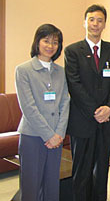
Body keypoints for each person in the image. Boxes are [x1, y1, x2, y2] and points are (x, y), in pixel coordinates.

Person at [64, 4, 110, 201]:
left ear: (105, 24)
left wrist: (109, 108)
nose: (95, 24)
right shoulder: (73, 51)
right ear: (85, 22)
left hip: (106, 121)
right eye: (91, 19)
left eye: (99, 20)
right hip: (83, 121)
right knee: (82, 171)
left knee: (102, 172)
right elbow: (74, 84)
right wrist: (95, 111)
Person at [15, 24, 70, 201]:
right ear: (37, 42)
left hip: (56, 138)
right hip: (33, 136)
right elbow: (28, 108)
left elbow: (65, 102)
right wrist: (49, 135)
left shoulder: (61, 72)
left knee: (52, 186)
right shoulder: (23, 70)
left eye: (55, 42)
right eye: (46, 40)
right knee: (31, 186)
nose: (50, 45)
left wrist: (59, 134)